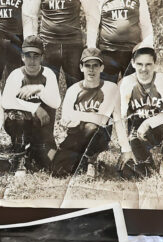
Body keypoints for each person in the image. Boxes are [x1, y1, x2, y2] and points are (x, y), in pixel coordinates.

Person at [25, 0, 99, 88]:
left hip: (73, 46)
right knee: (45, 88)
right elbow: (31, 16)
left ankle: (74, 111)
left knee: (77, 88)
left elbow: (92, 16)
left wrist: (90, 45)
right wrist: (32, 42)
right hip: (48, 45)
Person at [51, 48, 121, 178]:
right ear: (81, 67)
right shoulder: (73, 90)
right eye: (87, 65)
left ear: (102, 68)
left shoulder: (110, 88)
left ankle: (91, 160)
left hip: (98, 136)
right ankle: (82, 160)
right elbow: (66, 119)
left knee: (91, 127)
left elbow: (102, 121)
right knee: (58, 171)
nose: (91, 70)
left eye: (95, 66)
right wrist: (90, 117)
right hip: (76, 135)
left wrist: (77, 116)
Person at [1, 35, 61, 171]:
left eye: (36, 56)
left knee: (52, 165)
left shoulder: (49, 74)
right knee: (17, 116)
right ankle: (19, 155)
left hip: (42, 130)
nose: (32, 60)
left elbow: (56, 103)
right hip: (21, 126)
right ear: (22, 57)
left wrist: (39, 89)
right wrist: (35, 108)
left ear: (42, 57)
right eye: (28, 56)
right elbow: (5, 101)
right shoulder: (16, 74)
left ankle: (33, 150)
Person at [119, 46, 163, 175]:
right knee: (138, 172)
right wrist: (125, 147)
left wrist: (148, 122)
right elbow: (121, 118)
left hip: (158, 126)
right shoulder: (126, 83)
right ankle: (148, 165)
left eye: (148, 64)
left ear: (155, 65)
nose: (143, 69)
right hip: (135, 132)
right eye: (139, 64)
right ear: (133, 63)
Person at [95, 0, 153, 81]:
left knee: (131, 90)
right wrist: (92, 48)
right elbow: (93, 25)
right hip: (107, 52)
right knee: (107, 90)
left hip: (131, 52)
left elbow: (145, 25)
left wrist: (146, 47)